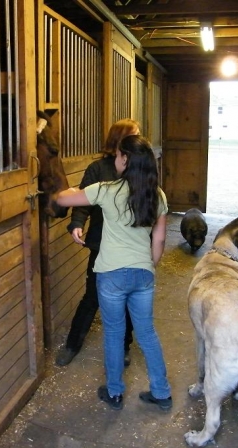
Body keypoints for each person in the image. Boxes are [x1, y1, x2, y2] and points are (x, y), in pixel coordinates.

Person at [56, 134, 172, 411]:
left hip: (111, 275)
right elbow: (159, 241)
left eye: (120, 154)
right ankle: (162, 392)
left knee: (114, 333)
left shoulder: (106, 189)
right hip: (143, 273)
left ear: (125, 160)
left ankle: (115, 392)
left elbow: (62, 199)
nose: (116, 159)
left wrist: (68, 188)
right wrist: (149, 268)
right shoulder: (158, 195)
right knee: (146, 334)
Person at [55, 119, 140, 367]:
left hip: (129, 246)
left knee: (126, 298)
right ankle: (72, 344)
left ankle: (124, 347)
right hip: (101, 244)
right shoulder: (97, 169)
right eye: (133, 135)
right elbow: (84, 200)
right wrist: (76, 223)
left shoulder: (139, 169)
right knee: (92, 296)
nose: (138, 140)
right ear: (120, 140)